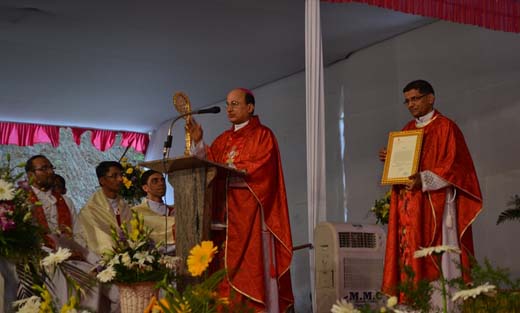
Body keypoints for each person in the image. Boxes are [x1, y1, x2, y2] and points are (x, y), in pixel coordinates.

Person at [187, 88, 294, 313]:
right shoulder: (223, 139)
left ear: (250, 107)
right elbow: (210, 164)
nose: (229, 109)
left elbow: (264, 169)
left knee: (249, 269)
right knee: (220, 268)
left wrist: (233, 170)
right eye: (227, 104)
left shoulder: (263, 135)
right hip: (222, 213)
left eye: (235, 104)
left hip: (249, 216)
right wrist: (198, 143)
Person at [379, 80, 483, 306]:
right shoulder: (406, 130)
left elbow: (455, 167)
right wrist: (392, 160)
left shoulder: (446, 127)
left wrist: (424, 179)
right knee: (409, 258)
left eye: (415, 99)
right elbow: (405, 168)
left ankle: (442, 307)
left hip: (436, 207)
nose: (410, 105)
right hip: (411, 209)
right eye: (406, 101)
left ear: (430, 98)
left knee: (440, 261)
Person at [25, 155, 99, 310]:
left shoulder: (65, 200)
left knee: (93, 278)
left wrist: (77, 251)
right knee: (59, 279)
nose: (50, 171)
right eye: (44, 168)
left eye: (51, 167)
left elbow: (78, 232)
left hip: (68, 256)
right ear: (30, 175)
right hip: (37, 258)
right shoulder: (22, 199)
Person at [130, 169, 175, 252]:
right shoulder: (136, 212)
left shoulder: (174, 211)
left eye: (162, 180)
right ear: (145, 188)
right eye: (155, 181)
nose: (161, 183)